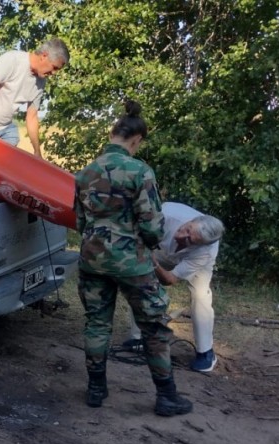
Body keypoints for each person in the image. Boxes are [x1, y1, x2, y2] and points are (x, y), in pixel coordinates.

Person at [74, 100, 192, 416]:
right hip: (132, 261)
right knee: (153, 325)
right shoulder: (140, 171)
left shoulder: (85, 172)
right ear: (136, 140)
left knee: (97, 323)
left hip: (92, 259)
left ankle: (96, 389)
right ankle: (167, 396)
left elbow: (80, 222)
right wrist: (150, 246)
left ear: (112, 134)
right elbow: (153, 225)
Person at [120, 203, 225, 372]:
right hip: (159, 246)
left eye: (190, 239)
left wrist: (153, 264)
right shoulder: (166, 214)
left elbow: (169, 279)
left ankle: (205, 352)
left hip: (187, 258)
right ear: (191, 221)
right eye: (187, 229)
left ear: (200, 244)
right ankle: (139, 338)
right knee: (140, 282)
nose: (182, 236)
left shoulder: (205, 251)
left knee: (200, 294)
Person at [0, 38, 70, 158]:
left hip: (6, 132)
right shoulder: (12, 60)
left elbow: (32, 116)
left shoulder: (41, 82)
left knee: (1, 168)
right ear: (44, 56)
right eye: (55, 67)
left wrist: (37, 151)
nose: (54, 73)